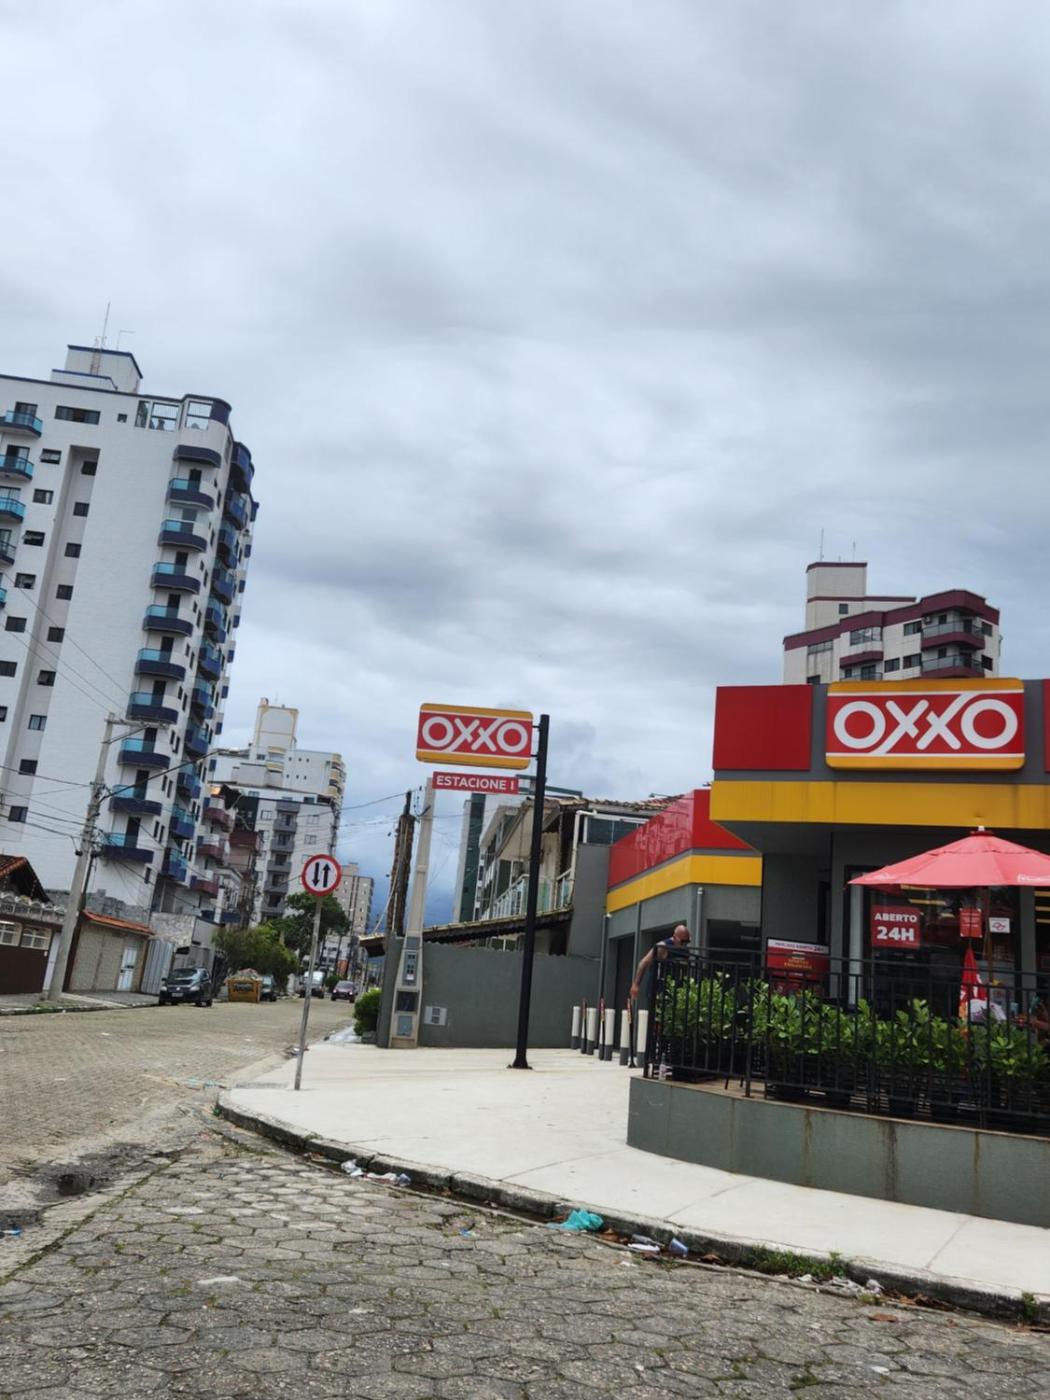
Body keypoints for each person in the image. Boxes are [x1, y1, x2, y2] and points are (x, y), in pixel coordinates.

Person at [629, 923, 691, 1002]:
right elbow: (643, 963)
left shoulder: (685, 951)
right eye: (682, 942)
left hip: (675, 990)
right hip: (659, 989)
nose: (684, 944)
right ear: (674, 937)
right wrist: (636, 984)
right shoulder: (662, 947)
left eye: (687, 941)